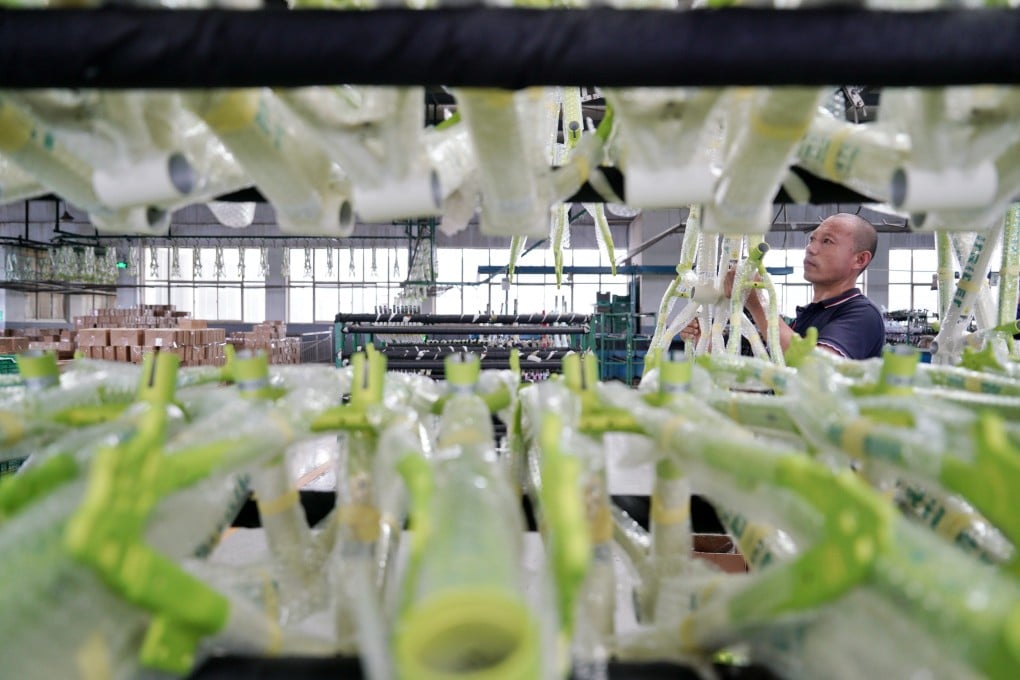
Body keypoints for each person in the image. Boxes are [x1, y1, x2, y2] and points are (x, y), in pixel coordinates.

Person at [681, 212, 886, 360]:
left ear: (859, 260)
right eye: (812, 239)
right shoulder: (807, 317)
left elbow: (817, 369)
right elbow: (767, 377)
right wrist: (705, 340)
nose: (811, 248)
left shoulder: (862, 315)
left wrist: (758, 303)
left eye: (827, 241)